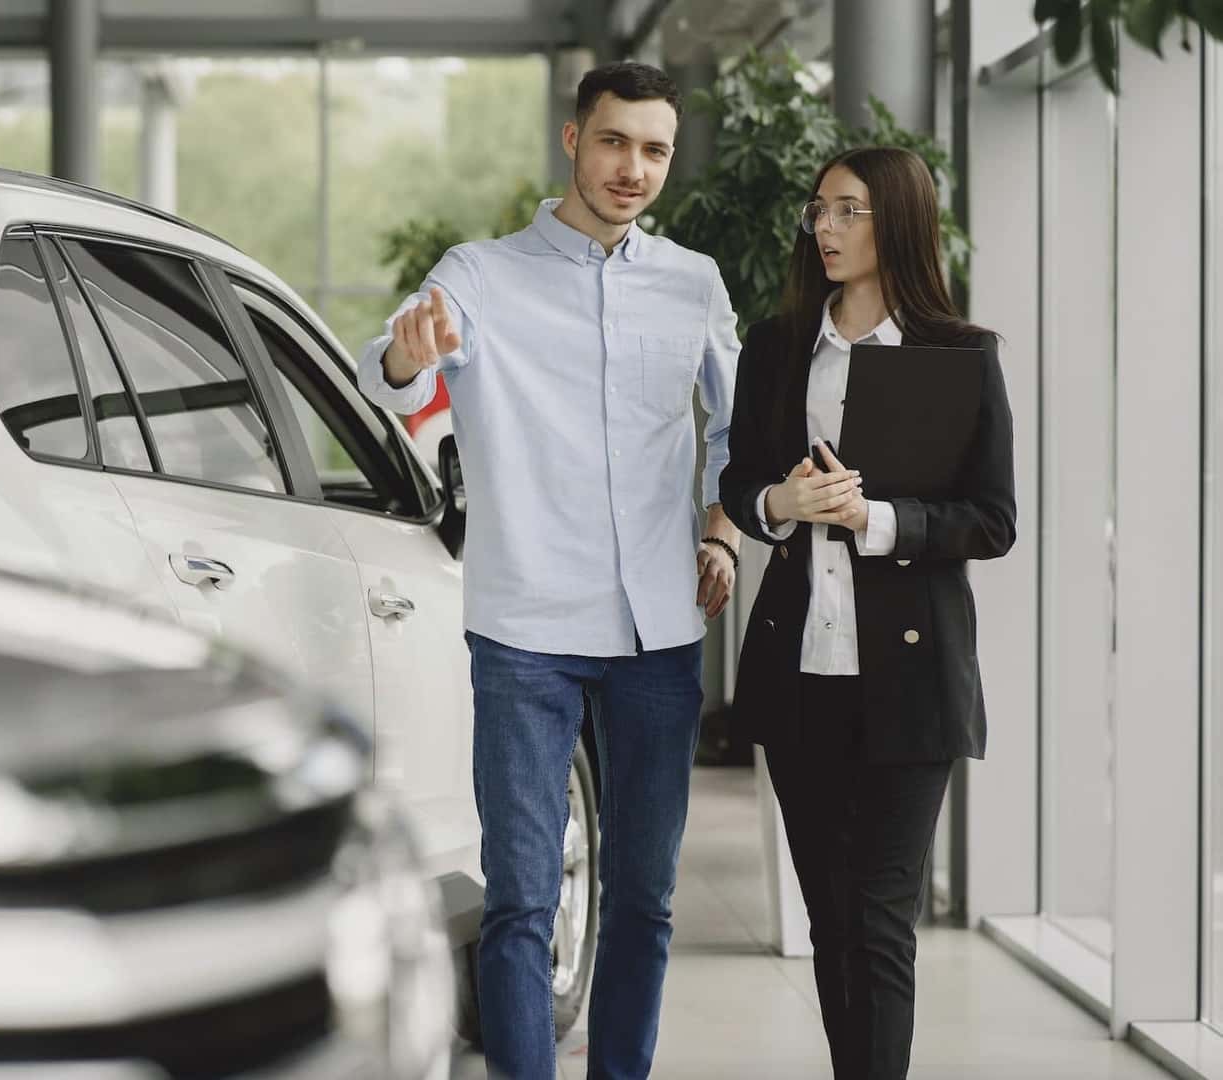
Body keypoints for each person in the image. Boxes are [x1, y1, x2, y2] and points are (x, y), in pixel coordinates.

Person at [357, 61, 741, 1080]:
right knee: (523, 898)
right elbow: (386, 371)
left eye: (653, 150)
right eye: (613, 142)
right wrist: (407, 355)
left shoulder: (692, 282)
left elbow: (736, 432)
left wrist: (722, 532)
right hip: (525, 628)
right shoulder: (479, 274)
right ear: (573, 140)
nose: (631, 169)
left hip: (659, 629)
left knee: (644, 897)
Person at [718, 146, 1017, 1080]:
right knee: (829, 918)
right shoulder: (776, 347)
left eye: (848, 209)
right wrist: (779, 503)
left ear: (898, 219)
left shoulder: (959, 354)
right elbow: (737, 480)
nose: (826, 226)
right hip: (799, 671)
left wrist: (876, 520)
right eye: (818, 209)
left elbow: (992, 519)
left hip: (911, 679)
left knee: (881, 920)